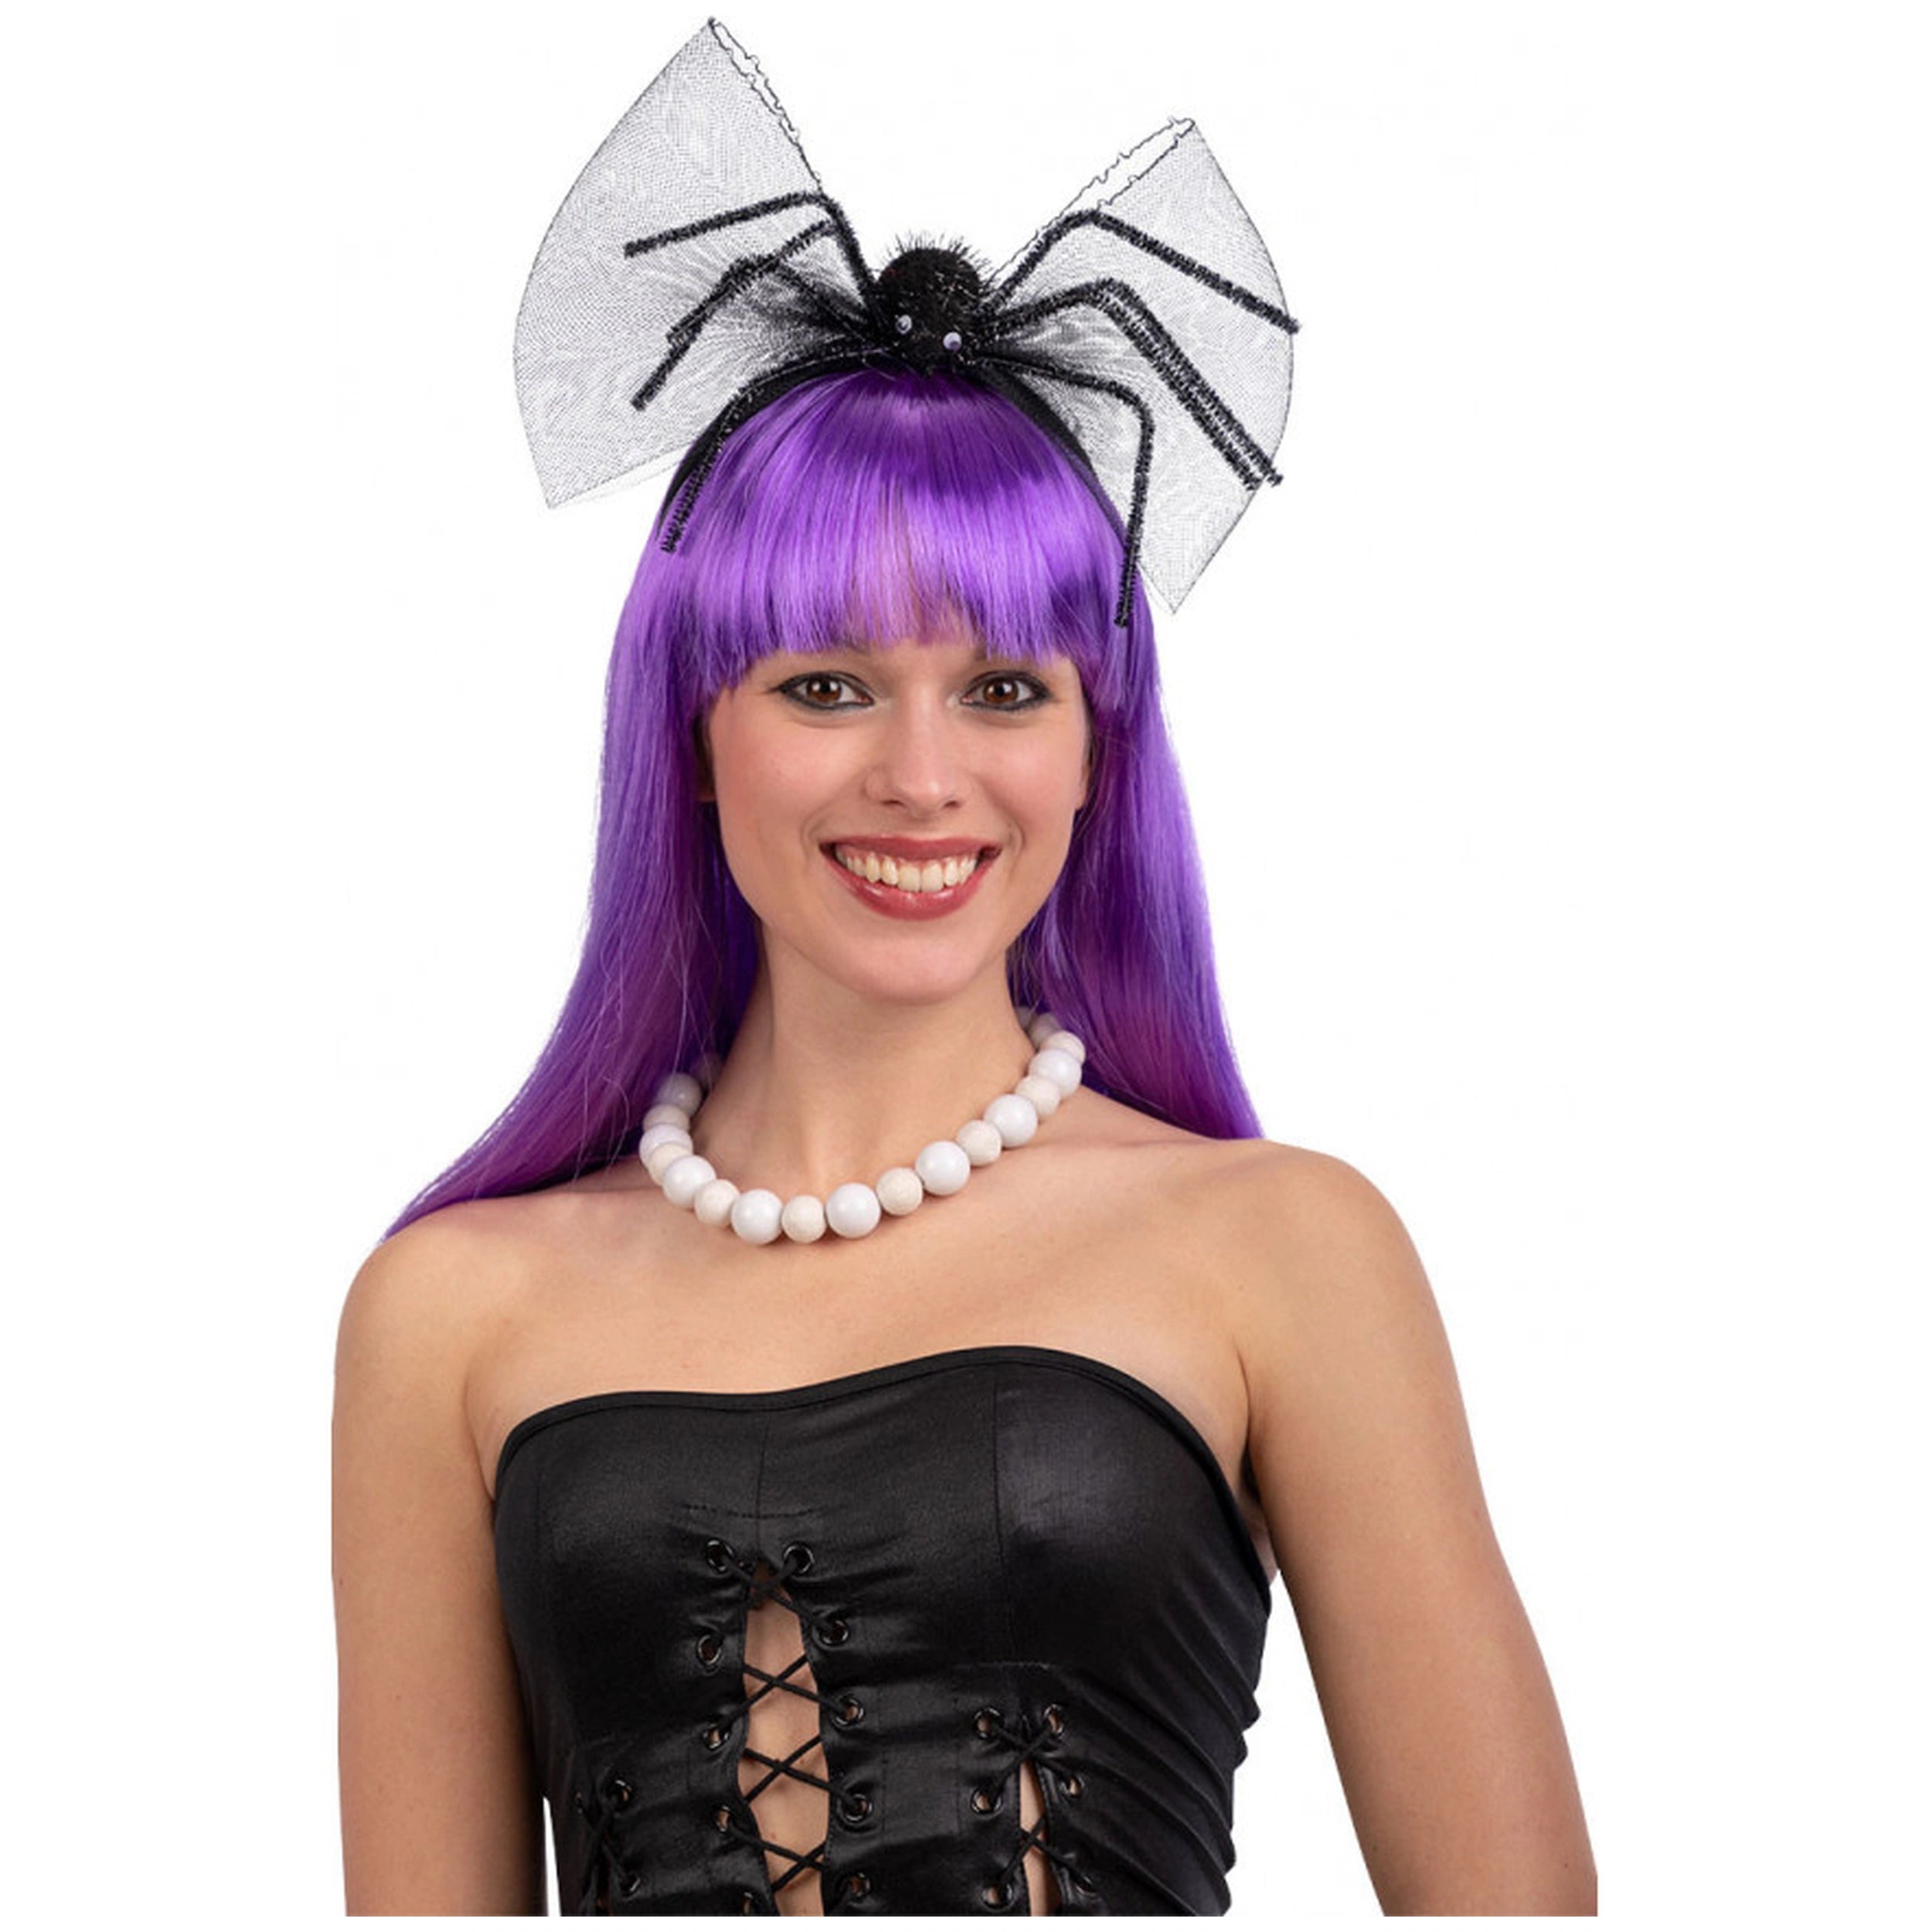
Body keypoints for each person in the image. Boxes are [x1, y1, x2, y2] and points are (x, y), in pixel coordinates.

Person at [333, 24, 1594, 1918]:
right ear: (695, 733)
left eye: (1003, 687)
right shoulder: (446, 1310)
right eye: (825, 683)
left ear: (1096, 748)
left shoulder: (1284, 1249)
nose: (920, 776)